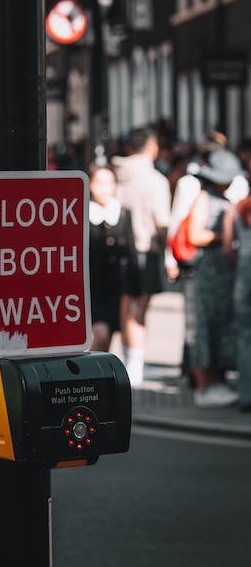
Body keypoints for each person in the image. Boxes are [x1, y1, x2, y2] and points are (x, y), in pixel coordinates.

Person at [111, 127, 171, 385]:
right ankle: (135, 368)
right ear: (151, 147)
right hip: (144, 249)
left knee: (125, 308)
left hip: (115, 250)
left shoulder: (116, 175)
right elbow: (162, 221)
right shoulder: (155, 180)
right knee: (138, 311)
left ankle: (129, 361)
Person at [187, 149, 243, 407]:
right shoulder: (204, 199)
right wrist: (223, 238)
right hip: (210, 271)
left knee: (220, 325)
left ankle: (216, 381)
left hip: (222, 273)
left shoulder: (221, 198)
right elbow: (195, 235)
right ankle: (204, 385)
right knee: (206, 325)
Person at [88, 165, 140, 352]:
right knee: (100, 332)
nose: (105, 188)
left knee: (110, 333)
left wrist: (135, 289)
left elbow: (131, 251)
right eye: (99, 182)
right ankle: (89, 375)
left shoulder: (122, 212)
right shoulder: (82, 213)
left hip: (117, 287)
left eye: (110, 182)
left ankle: (99, 376)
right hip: (91, 287)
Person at [223, 193, 251, 411]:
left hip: (243, 272)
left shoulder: (240, 206)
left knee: (244, 336)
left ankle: (245, 394)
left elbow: (227, 247)